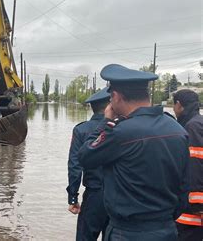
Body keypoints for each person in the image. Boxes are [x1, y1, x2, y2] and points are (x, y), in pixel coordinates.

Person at [78, 64, 190, 240]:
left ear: (115, 96)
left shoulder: (121, 133)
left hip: (128, 232)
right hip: (166, 229)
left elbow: (85, 156)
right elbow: (185, 187)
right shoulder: (178, 129)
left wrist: (105, 122)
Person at [67, 87, 110, 241]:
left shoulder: (82, 130)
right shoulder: (122, 128)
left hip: (94, 196)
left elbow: (74, 165)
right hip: (119, 196)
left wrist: (73, 197)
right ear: (110, 105)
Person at [173, 89, 203, 240]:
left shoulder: (192, 127)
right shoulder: (198, 122)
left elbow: (195, 162)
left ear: (178, 105)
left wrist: (197, 204)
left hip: (192, 209)